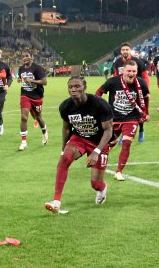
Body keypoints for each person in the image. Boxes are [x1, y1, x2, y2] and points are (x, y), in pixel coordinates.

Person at [46, 76, 114, 214]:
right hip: (80, 138)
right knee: (64, 159)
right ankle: (56, 202)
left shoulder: (99, 104)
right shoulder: (65, 106)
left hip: (100, 141)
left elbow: (108, 130)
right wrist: (62, 149)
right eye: (70, 87)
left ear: (85, 87)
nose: (73, 89)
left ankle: (102, 189)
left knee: (95, 184)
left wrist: (97, 151)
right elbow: (66, 128)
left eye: (77, 86)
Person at [96, 60, 150, 181]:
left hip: (131, 118)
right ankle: (98, 160)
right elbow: (99, 92)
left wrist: (145, 113)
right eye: (129, 71)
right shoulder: (113, 81)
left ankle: (119, 171)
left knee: (126, 143)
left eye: (134, 71)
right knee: (109, 144)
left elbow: (146, 97)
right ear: (123, 71)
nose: (131, 73)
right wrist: (98, 107)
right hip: (113, 119)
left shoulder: (141, 83)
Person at [112, 43, 150, 142]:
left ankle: (141, 130)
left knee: (138, 111)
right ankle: (123, 134)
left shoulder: (137, 61)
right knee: (122, 111)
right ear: (121, 51)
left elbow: (145, 75)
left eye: (127, 49)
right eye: (123, 49)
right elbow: (116, 75)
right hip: (121, 91)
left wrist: (146, 89)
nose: (125, 51)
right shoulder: (117, 62)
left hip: (136, 90)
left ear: (130, 50)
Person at [17, 50, 48, 151]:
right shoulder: (21, 69)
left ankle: (44, 132)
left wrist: (31, 80)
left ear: (32, 57)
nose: (25, 58)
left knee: (38, 117)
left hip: (37, 96)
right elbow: (21, 78)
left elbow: (44, 82)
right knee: (24, 117)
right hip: (25, 95)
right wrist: (20, 80)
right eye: (23, 56)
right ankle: (23, 142)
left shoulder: (37, 68)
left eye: (27, 56)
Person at [0, 48, 12, 136]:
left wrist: (7, 85)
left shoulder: (5, 66)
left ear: (0, 56)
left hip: (1, 91)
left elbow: (10, 78)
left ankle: (0, 124)